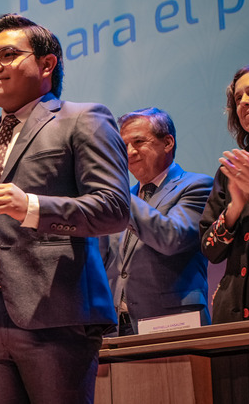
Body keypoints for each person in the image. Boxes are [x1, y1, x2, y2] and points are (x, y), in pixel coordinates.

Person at [0, 13, 130, 404]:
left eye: (9, 55)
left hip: (56, 310)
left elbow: (113, 208)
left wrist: (31, 206)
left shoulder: (83, 119)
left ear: (47, 64)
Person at [100, 108, 212, 335]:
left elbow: (172, 238)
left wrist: (116, 189)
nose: (129, 152)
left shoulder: (197, 185)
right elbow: (102, 260)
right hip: (116, 328)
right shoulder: (123, 197)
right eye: (123, 146)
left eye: (138, 142)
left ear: (168, 143)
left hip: (173, 323)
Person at [200, 63, 249, 323]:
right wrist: (234, 209)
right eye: (238, 98)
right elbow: (211, 251)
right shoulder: (232, 169)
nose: (243, 102)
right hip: (232, 316)